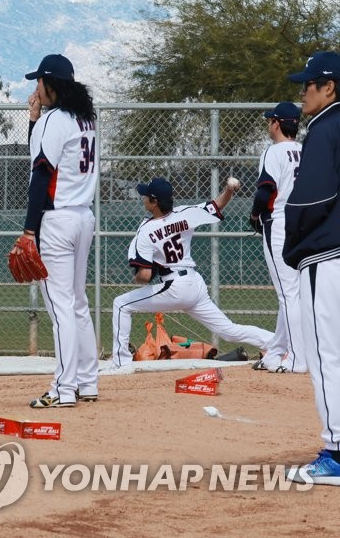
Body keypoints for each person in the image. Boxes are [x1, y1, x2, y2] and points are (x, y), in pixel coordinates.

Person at [110, 177, 273, 370]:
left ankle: (121, 363)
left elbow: (144, 276)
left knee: (121, 304)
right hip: (194, 284)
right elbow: (218, 204)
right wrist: (229, 189)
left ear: (154, 202)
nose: (143, 199)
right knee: (228, 330)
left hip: (174, 287)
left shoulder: (145, 231)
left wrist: (137, 277)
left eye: (146, 197)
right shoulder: (185, 213)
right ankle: (276, 343)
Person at [17, 54, 99, 408]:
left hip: (57, 222)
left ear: (52, 84)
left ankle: (63, 389)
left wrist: (28, 231)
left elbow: (40, 176)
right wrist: (35, 120)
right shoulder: (86, 119)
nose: (36, 88)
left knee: (60, 306)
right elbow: (45, 157)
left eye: (39, 82)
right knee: (77, 303)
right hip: (83, 217)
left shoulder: (55, 121)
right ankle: (87, 382)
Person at [282, 50, 340, 485]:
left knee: (326, 356)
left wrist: (293, 246)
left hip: (327, 256)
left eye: (309, 84)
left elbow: (309, 201)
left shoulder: (324, 127)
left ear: (330, 87)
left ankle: (336, 454)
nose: (303, 91)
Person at [249, 102, 304, 373]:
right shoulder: (304, 150)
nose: (268, 124)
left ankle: (297, 357)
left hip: (279, 222)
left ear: (277, 124)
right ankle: (277, 352)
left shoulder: (274, 151)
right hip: (303, 223)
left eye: (271, 120)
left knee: (288, 293)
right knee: (292, 291)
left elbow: (264, 192)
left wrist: (254, 215)